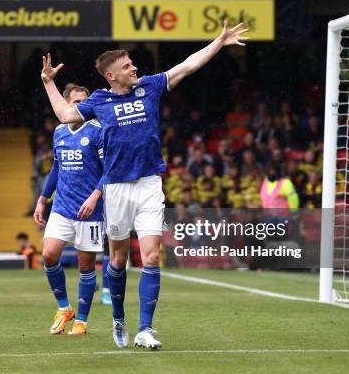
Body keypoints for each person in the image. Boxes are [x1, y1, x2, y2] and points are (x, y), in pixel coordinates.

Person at [41, 20, 248, 349]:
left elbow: (187, 66)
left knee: (151, 257)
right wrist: (49, 82)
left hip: (150, 183)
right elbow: (66, 115)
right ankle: (119, 318)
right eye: (126, 65)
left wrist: (219, 42)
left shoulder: (149, 86)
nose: (133, 67)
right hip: (117, 189)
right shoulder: (98, 101)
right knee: (118, 261)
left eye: (132, 63)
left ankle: (145, 329)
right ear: (112, 75)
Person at [33, 83, 105, 336]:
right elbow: (56, 167)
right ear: (65, 105)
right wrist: (43, 198)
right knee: (49, 255)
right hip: (62, 206)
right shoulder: (60, 131)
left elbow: (109, 170)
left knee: (86, 266)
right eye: (76, 102)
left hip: (90, 211)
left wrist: (96, 197)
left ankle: (82, 321)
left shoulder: (98, 131)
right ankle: (64, 308)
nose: (81, 106)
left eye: (85, 101)